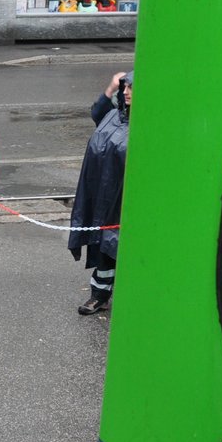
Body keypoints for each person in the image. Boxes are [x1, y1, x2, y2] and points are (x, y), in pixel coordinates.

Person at [69, 70, 132, 315]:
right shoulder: (112, 116)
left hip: (122, 198)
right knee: (103, 244)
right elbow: (96, 112)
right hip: (100, 194)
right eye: (123, 88)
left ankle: (108, 294)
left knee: (113, 244)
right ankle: (100, 295)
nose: (125, 93)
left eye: (130, 89)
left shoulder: (146, 124)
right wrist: (110, 88)